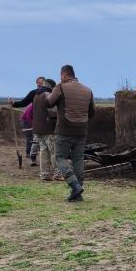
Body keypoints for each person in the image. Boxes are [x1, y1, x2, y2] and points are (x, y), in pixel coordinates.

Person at [46, 65, 95, 202]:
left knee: (60, 157)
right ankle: (77, 192)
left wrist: (47, 94)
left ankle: (74, 184)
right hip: (82, 130)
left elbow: (49, 103)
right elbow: (91, 113)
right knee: (78, 159)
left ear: (63, 75)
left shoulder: (60, 87)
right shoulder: (88, 90)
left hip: (65, 130)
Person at [9, 76, 45, 166]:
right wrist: (14, 103)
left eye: (40, 82)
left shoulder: (51, 92)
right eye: (37, 83)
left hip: (47, 120)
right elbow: (24, 102)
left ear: (45, 82)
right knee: (35, 140)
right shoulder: (34, 93)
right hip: (35, 120)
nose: (38, 84)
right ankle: (32, 157)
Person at [32, 78, 61, 181]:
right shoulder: (47, 95)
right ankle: (58, 174)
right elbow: (53, 112)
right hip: (49, 129)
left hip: (38, 129)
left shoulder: (36, 95)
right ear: (51, 87)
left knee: (44, 152)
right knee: (54, 152)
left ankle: (45, 175)